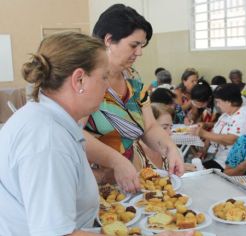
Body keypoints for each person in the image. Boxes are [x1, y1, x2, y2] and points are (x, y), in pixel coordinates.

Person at [0, 30, 195, 236]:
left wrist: (117, 161)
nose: (107, 86)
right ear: (79, 80)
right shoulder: (47, 141)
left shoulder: (52, 120)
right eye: (104, 77)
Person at [85, 4, 184, 190]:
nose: (139, 52)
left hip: (132, 175)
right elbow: (75, 133)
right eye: (134, 45)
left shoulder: (133, 80)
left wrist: (170, 148)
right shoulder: (86, 80)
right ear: (108, 40)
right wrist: (116, 161)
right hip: (96, 179)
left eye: (142, 45)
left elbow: (149, 127)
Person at [190, 83, 246, 171]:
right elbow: (214, 131)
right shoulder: (226, 115)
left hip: (230, 163)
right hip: (217, 156)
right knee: (191, 168)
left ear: (229, 102)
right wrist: (204, 150)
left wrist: (203, 133)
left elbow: (230, 139)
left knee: (195, 172)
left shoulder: (244, 115)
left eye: (218, 102)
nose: (217, 105)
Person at [133, 103, 197, 172]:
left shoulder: (166, 149)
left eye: (170, 127)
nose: (170, 132)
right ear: (147, 127)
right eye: (164, 127)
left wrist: (182, 167)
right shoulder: (134, 153)